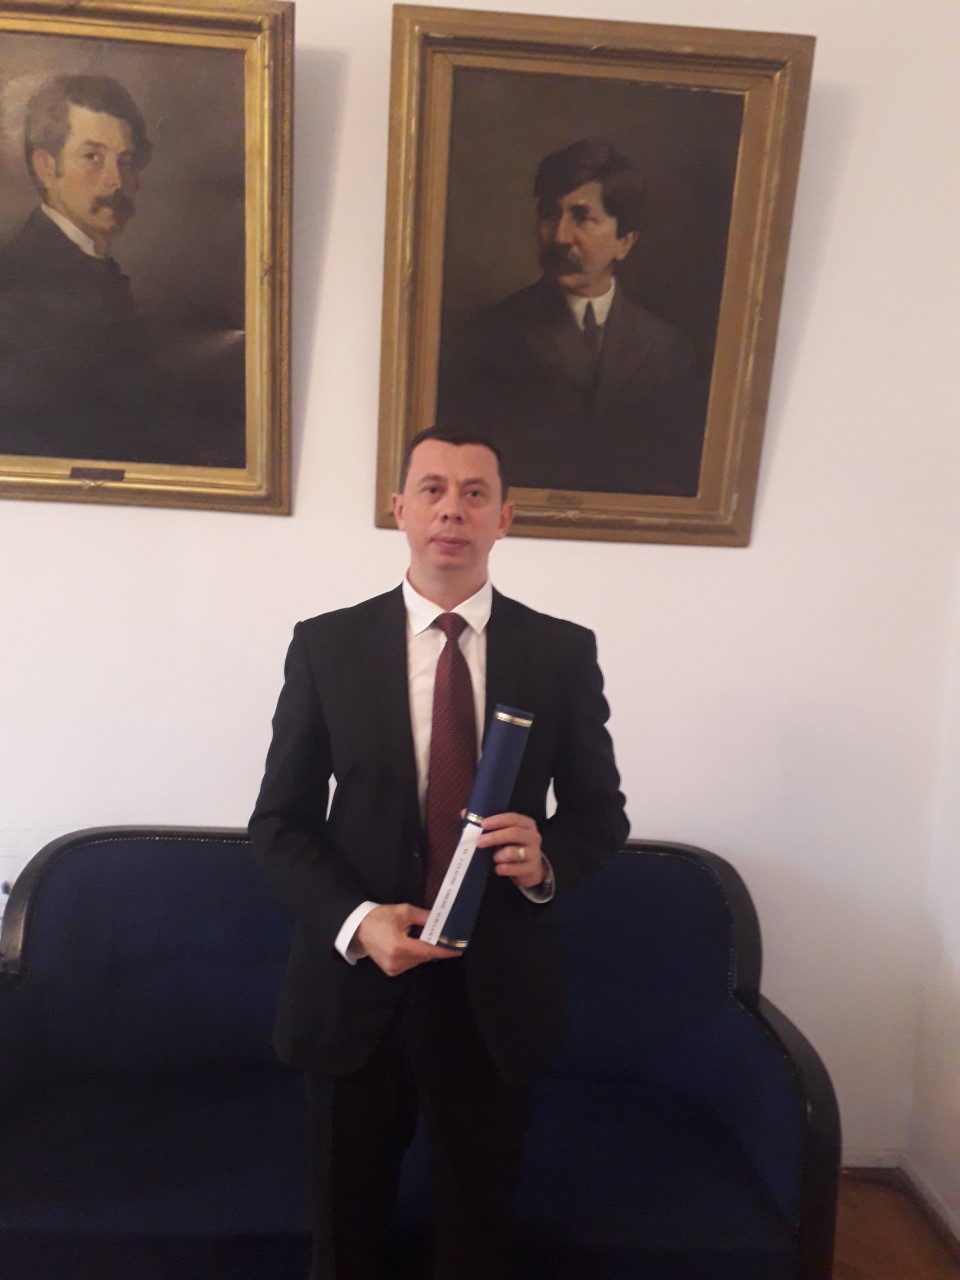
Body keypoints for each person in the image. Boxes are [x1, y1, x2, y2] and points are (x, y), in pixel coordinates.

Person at [249, 427, 628, 1279]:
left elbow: (600, 816)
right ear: (400, 510)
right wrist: (359, 922)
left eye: (474, 492)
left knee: (477, 1236)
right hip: (356, 987)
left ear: (505, 518)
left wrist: (546, 860)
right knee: (344, 1236)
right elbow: (279, 823)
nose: (452, 509)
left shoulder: (561, 653)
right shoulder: (326, 645)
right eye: (432, 489)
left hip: (495, 996)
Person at [437, 137, 708, 497]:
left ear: (624, 241)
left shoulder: (667, 351)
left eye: (582, 218)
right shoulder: (487, 338)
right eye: (550, 215)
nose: (561, 236)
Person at [0, 74, 166, 463]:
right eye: (92, 156)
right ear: (46, 167)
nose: (116, 180)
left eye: (126, 161)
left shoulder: (99, 271)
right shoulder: (20, 283)